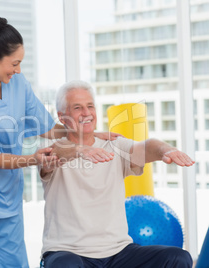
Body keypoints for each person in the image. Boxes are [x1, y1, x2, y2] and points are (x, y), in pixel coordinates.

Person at [0, 14, 117, 268]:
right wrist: (34, 159)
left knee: (15, 262)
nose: (17, 70)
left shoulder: (18, 84)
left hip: (8, 192)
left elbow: (48, 128)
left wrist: (85, 134)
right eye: (14, 63)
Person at [39, 80, 195, 268]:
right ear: (62, 117)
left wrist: (165, 150)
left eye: (90, 106)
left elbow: (147, 146)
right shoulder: (51, 150)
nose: (86, 113)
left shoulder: (114, 146)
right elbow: (54, 155)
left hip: (118, 252)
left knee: (178, 258)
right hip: (68, 252)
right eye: (78, 108)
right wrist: (81, 150)